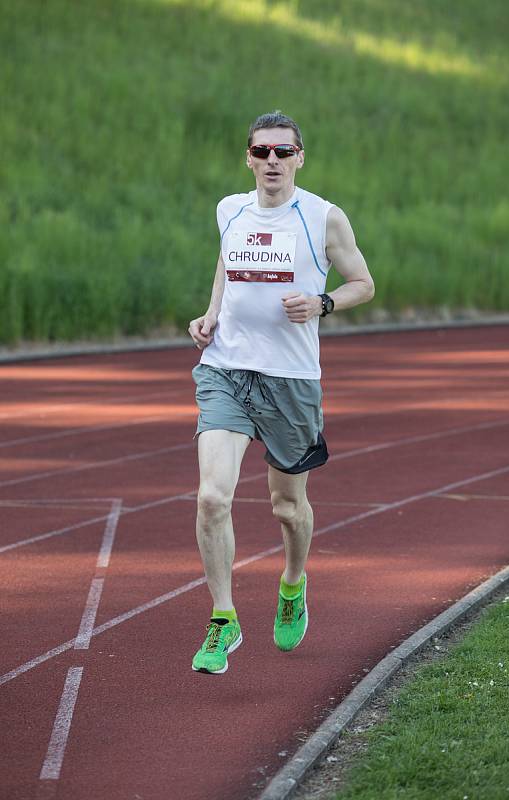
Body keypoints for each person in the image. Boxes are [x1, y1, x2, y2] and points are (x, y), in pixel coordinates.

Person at [188, 110, 375, 674]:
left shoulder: (323, 217)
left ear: (300, 157)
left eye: (283, 152)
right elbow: (227, 263)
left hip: (291, 380)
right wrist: (212, 312)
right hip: (226, 370)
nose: (272, 161)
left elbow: (363, 284)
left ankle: (292, 583)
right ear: (248, 157)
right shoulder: (230, 209)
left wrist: (322, 303)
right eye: (262, 151)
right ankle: (223, 619)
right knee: (212, 497)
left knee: (287, 507)